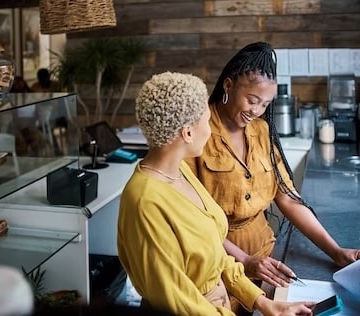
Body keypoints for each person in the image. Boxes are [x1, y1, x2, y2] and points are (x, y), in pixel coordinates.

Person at [184, 42, 360, 314]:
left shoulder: (261, 131)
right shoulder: (198, 130)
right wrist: (244, 260)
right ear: (228, 85)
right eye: (252, 100)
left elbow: (289, 199)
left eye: (265, 104)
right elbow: (191, 218)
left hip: (265, 259)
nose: (256, 110)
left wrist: (336, 252)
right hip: (216, 263)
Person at [117, 71, 314, 315]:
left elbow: (215, 255)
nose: (211, 132)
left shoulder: (179, 171)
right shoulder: (144, 201)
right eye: (207, 121)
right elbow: (178, 301)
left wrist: (264, 303)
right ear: (188, 133)